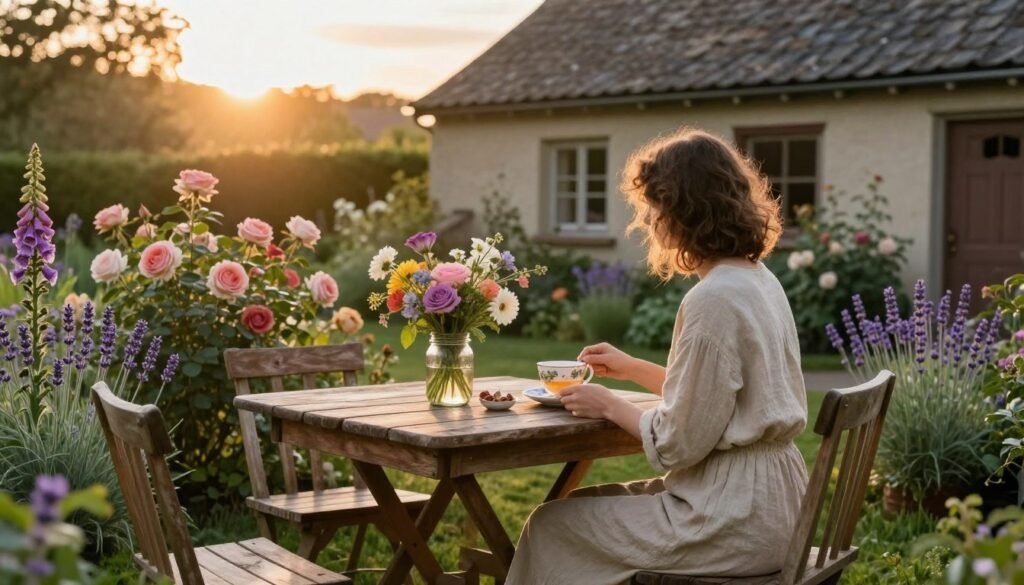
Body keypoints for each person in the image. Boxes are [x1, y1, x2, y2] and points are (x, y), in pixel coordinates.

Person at [504, 128, 809, 585]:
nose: (646, 220)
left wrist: (608, 402)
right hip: (776, 508)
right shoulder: (759, 279)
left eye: (654, 205)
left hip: (729, 522)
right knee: (576, 508)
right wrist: (632, 369)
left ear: (686, 208)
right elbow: (719, 398)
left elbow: (678, 443)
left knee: (550, 526)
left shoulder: (714, 299)